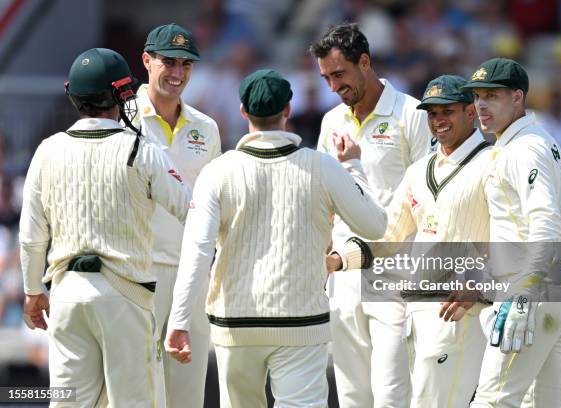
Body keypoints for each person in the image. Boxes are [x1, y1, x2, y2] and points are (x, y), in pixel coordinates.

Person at [164, 69, 387, 407]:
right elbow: (375, 225)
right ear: (288, 111)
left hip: (235, 325)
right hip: (301, 323)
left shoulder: (217, 172)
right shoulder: (323, 166)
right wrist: (353, 166)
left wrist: (180, 320)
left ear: (243, 112)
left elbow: (197, 251)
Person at [19, 48, 191, 407]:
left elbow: (32, 234)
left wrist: (33, 290)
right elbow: (191, 210)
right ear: (120, 95)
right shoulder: (140, 151)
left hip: (66, 294)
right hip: (125, 294)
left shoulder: (48, 150)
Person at [330, 75, 493, 407]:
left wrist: (484, 279)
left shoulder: (494, 162)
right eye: (432, 114)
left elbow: (523, 231)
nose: (438, 121)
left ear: (470, 112)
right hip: (419, 312)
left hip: (461, 311)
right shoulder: (420, 171)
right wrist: (339, 259)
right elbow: (388, 236)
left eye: (447, 111)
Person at [310, 23, 433, 407]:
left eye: (339, 74)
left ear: (365, 62)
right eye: (326, 78)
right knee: (351, 394)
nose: (333, 87)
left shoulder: (412, 115)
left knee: (392, 392)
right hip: (344, 272)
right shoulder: (332, 121)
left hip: (396, 274)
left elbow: (427, 199)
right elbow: (323, 199)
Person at [461, 58, 561, 407]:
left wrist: (522, 294)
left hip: (532, 291)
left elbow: (546, 223)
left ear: (517, 98)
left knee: (492, 402)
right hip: (556, 290)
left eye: (491, 96)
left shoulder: (524, 148)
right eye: (477, 97)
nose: (480, 105)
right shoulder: (538, 141)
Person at [135, 22, 221, 408]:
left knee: (186, 396)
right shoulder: (123, 119)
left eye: (186, 64)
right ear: (147, 61)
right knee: (134, 393)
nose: (177, 73)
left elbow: (215, 203)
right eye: (169, 62)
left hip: (191, 274)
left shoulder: (207, 127)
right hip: (136, 270)